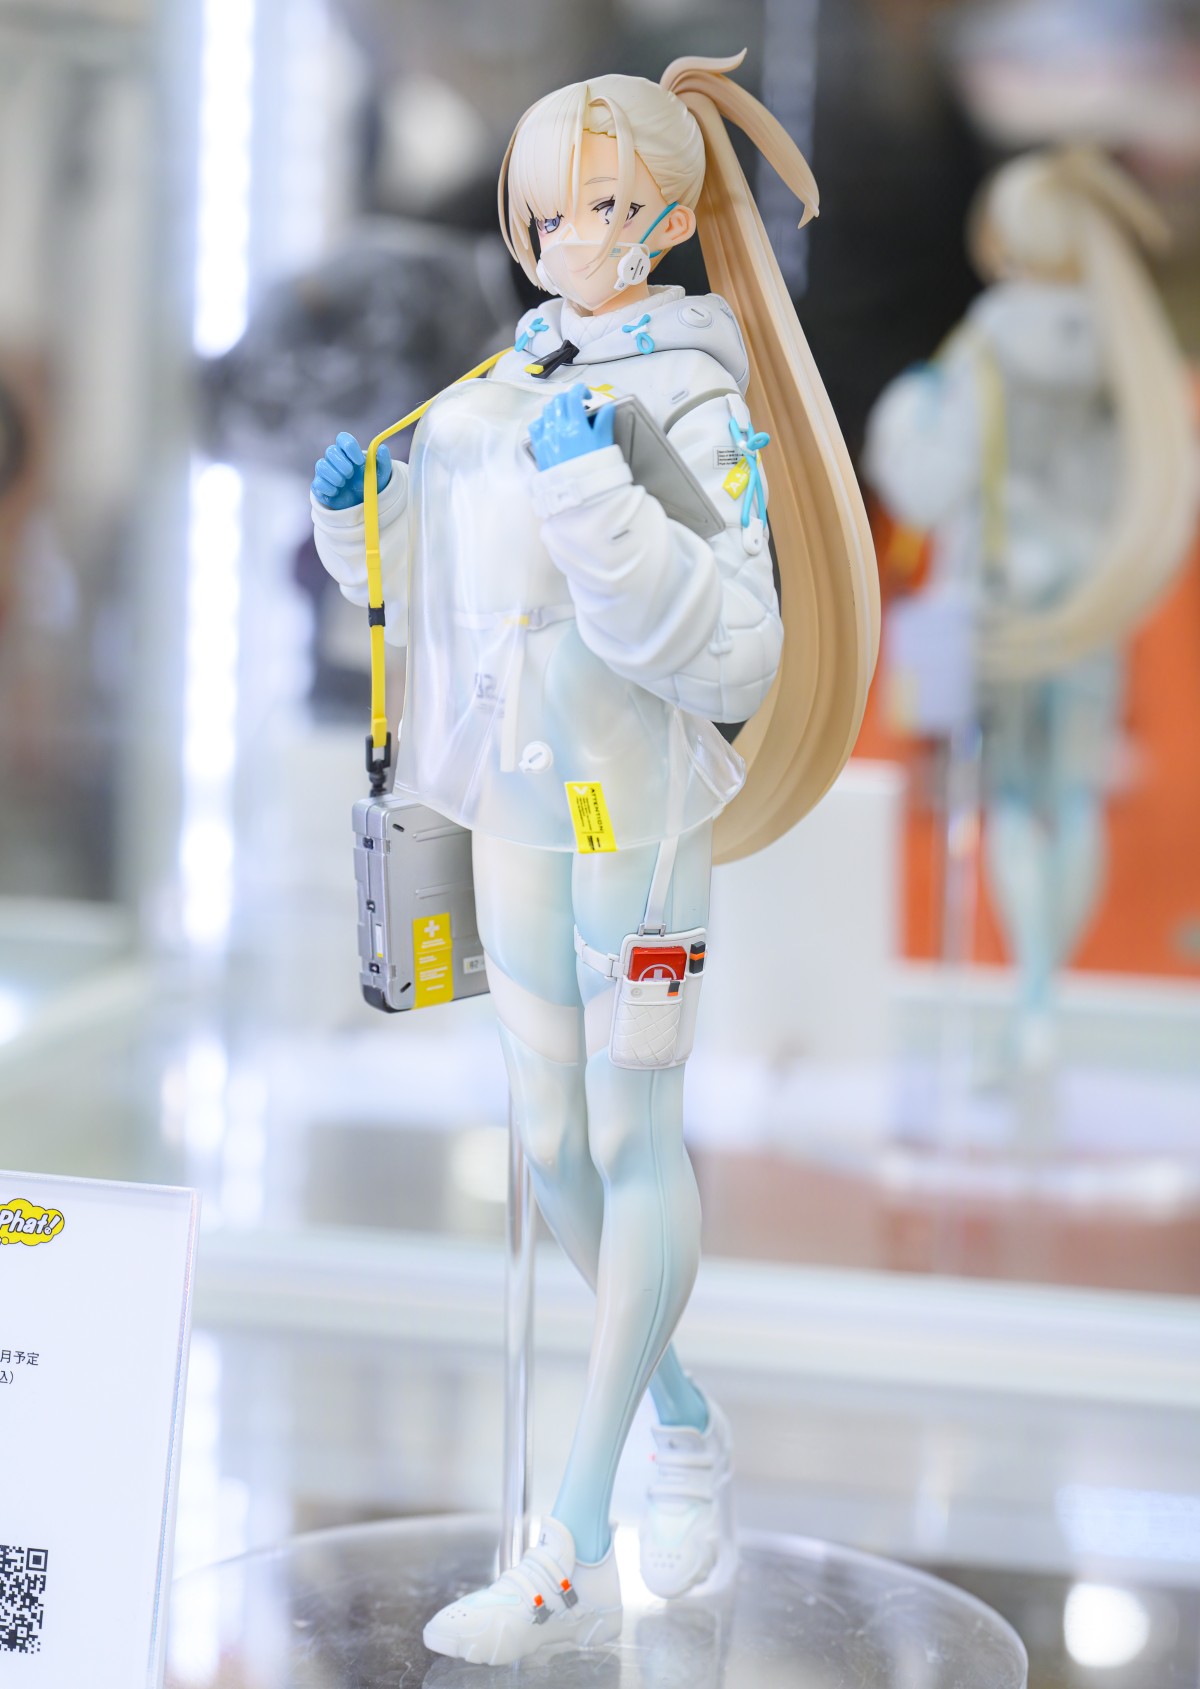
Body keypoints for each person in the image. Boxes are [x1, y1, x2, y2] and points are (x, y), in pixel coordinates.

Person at [311, 51, 877, 1665]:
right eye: (547, 211)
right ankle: (678, 1417)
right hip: (511, 801)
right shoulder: (512, 370)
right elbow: (452, 597)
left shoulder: (692, 394)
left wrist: (598, 507)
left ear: (672, 216)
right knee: (549, 1136)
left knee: (629, 1134)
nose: (573, 237)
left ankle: (567, 1534)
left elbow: (737, 643)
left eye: (607, 205)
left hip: (636, 815)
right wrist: (365, 522)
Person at [864, 148, 1194, 1088]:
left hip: (1001, 598)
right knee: (1074, 796)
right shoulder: (1131, 348)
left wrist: (906, 418)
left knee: (1009, 798)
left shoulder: (989, 343)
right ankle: (1046, 997)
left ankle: (1029, 1005)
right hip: (1092, 603)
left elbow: (928, 484)